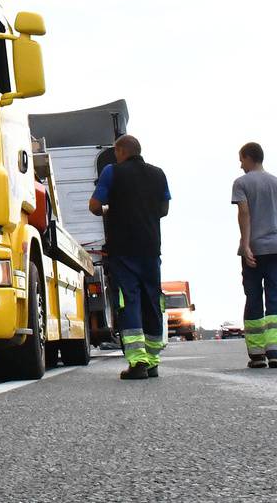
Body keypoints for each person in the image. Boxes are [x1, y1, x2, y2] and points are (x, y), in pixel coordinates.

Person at [89, 134, 171, 380]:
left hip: (123, 249)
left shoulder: (112, 172)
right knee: (152, 300)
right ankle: (153, 360)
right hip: (150, 247)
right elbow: (164, 209)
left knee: (129, 300)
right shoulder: (158, 174)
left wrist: (110, 209)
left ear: (121, 151)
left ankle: (138, 363)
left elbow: (94, 205)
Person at [231, 141, 277, 369]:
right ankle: (275, 352)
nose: (240, 165)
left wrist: (246, 245)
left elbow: (244, 213)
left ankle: (257, 354)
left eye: (241, 160)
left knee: (254, 298)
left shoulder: (241, 183)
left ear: (249, 157)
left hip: (254, 250)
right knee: (276, 299)